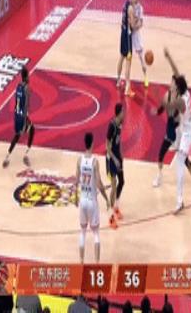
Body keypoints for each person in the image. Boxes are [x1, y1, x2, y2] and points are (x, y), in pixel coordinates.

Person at [163, 48, 191, 214]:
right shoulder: (185, 90)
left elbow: (170, 108)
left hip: (188, 130)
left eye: (174, 84)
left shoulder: (182, 101)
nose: (172, 84)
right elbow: (176, 71)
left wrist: (163, 101)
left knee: (180, 161)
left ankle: (180, 200)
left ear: (178, 88)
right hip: (181, 127)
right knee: (181, 159)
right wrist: (169, 57)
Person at [152, 75, 191, 188]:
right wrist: (156, 112)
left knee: (185, 160)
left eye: (172, 82)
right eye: (171, 81)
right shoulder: (167, 95)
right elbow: (162, 108)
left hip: (178, 132)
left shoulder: (180, 99)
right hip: (170, 130)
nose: (170, 83)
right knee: (161, 154)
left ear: (176, 86)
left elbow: (177, 114)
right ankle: (159, 176)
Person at [76, 132, 109, 263]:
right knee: (96, 234)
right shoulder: (95, 162)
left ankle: (81, 261)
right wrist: (106, 198)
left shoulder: (79, 160)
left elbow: (76, 181)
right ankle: (97, 263)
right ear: (92, 143)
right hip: (92, 201)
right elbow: (99, 183)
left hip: (82, 200)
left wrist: (75, 197)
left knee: (83, 232)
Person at [3, 67, 35, 168]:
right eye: (28, 76)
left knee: (17, 135)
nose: (29, 78)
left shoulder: (18, 86)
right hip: (22, 116)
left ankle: (7, 156)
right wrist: (26, 118)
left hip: (16, 113)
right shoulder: (27, 88)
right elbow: (26, 105)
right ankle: (26, 155)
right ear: (26, 77)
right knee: (32, 130)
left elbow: (17, 101)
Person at [116, 0, 141, 96]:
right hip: (127, 37)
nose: (137, 1)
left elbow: (127, 18)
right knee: (128, 62)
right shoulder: (130, 8)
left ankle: (118, 80)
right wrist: (138, 24)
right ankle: (127, 88)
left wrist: (134, 18)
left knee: (121, 57)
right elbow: (133, 26)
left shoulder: (125, 4)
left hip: (122, 33)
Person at [106, 103, 125, 229]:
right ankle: (111, 217)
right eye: (123, 111)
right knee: (113, 186)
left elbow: (118, 141)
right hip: (111, 158)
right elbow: (107, 146)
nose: (124, 113)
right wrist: (114, 159)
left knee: (122, 182)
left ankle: (116, 207)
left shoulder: (120, 123)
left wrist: (121, 154)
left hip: (117, 156)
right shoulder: (111, 126)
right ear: (119, 113)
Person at [132, 0, 148, 88]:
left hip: (136, 35)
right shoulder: (129, 6)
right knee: (127, 57)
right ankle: (124, 79)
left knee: (141, 57)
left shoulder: (140, 8)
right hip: (129, 35)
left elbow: (141, 23)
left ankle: (145, 77)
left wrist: (135, 27)